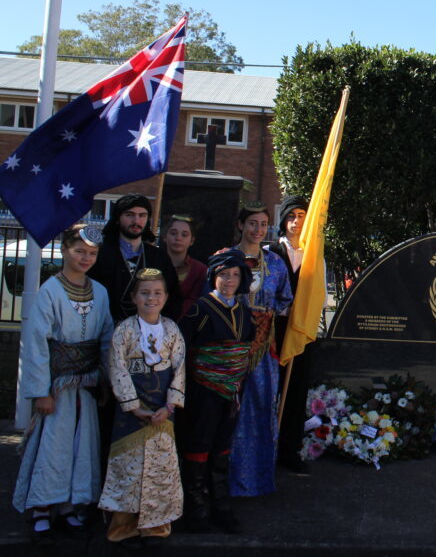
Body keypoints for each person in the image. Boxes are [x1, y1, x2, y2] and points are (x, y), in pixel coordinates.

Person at [13, 225, 114, 544]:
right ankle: (43, 506)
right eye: (79, 251)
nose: (86, 258)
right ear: (64, 250)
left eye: (92, 253)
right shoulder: (50, 291)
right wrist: (41, 391)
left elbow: (107, 337)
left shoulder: (100, 291)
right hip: (56, 387)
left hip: (86, 385)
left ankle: (71, 503)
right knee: (53, 446)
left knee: (82, 446)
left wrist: (106, 377)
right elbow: (37, 341)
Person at [98, 269, 186, 546]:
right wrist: (133, 406)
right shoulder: (123, 330)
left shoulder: (172, 330)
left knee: (160, 470)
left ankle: (156, 527)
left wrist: (170, 405)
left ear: (166, 297)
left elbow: (180, 369)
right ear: (134, 297)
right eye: (145, 293)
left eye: (157, 293)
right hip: (131, 415)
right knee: (127, 470)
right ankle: (123, 526)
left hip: (162, 413)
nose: (151, 298)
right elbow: (117, 368)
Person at [177, 249, 254, 533]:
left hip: (232, 392)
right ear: (213, 276)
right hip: (203, 390)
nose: (230, 280)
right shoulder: (199, 308)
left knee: (222, 446)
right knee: (199, 444)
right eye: (224, 274)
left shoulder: (244, 311)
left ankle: (220, 505)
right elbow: (182, 348)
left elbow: (246, 345)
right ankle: (195, 509)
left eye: (235, 275)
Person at [229, 202, 293, 497]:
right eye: (252, 223)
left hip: (263, 350)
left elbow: (285, 301)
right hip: (227, 348)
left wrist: (264, 315)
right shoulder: (224, 259)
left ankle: (255, 479)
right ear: (241, 225)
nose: (258, 230)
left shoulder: (276, 264)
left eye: (263, 224)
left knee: (260, 407)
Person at [266, 195, 313, 473]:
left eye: (302, 216)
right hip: (274, 330)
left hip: (300, 330)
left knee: (295, 391)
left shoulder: (313, 255)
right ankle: (265, 448)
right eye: (292, 216)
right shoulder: (271, 252)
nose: (297, 222)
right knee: (270, 390)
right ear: (284, 220)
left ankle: (289, 449)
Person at [88, 194, 182, 324]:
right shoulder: (100, 253)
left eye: (142, 215)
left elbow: (173, 296)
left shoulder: (159, 256)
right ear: (117, 218)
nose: (136, 221)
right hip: (104, 329)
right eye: (129, 215)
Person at [162, 214, 207, 320]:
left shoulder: (200, 270)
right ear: (164, 236)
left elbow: (195, 302)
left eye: (184, 235)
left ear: (192, 240)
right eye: (173, 233)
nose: (178, 238)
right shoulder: (153, 264)